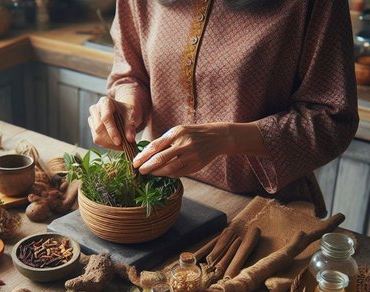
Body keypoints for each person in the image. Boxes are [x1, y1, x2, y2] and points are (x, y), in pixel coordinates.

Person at [88, 0, 359, 217]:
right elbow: (130, 74)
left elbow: (332, 118)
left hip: (263, 212)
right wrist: (126, 105)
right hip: (161, 200)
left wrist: (226, 139)